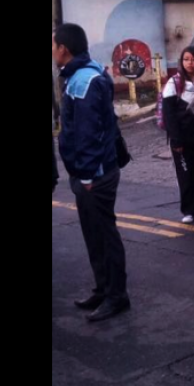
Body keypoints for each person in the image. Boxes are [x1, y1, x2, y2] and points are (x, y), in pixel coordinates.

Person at [53, 23, 130, 322]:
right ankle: (103, 288)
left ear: (64, 49)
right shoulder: (83, 73)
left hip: (95, 175)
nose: (52, 51)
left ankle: (117, 296)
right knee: (93, 234)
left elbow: (88, 134)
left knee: (104, 234)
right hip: (92, 172)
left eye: (53, 45)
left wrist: (86, 176)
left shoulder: (83, 81)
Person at [163, 47, 194, 224]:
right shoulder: (173, 83)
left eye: (193, 59)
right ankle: (188, 209)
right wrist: (175, 140)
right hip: (181, 139)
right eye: (186, 59)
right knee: (185, 174)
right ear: (181, 62)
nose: (190, 63)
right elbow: (169, 115)